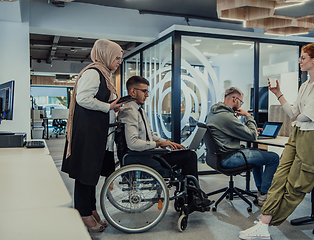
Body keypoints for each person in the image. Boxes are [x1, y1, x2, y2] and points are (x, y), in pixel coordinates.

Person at [239, 42, 314, 240]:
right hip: (298, 133)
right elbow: (294, 114)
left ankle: (266, 222)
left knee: (297, 184)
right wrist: (278, 94)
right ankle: (264, 222)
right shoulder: (305, 85)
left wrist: (298, 115)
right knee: (279, 177)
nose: (300, 61)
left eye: (303, 58)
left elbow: (307, 116)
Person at [117, 75, 213, 212]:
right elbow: (133, 144)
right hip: (144, 158)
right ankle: (192, 198)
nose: (147, 95)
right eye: (144, 91)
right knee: (189, 156)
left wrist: (167, 142)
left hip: (148, 154)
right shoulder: (129, 111)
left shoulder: (139, 110)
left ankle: (190, 197)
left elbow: (150, 135)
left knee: (186, 154)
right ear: (133, 91)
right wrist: (157, 145)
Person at [61, 39, 125, 233]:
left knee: (91, 174)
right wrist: (109, 106)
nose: (119, 62)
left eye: (121, 59)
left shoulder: (104, 74)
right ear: (106, 55)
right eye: (117, 58)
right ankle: (83, 214)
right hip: (86, 133)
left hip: (94, 132)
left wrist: (113, 107)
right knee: (85, 174)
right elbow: (83, 98)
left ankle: (90, 209)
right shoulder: (93, 73)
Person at [206, 87, 280, 206]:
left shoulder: (214, 112)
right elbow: (251, 136)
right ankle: (264, 195)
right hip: (229, 158)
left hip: (219, 156)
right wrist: (247, 115)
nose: (240, 104)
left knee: (259, 154)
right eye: (241, 101)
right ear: (235, 99)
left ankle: (261, 191)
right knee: (274, 158)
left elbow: (236, 131)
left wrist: (251, 130)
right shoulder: (227, 116)